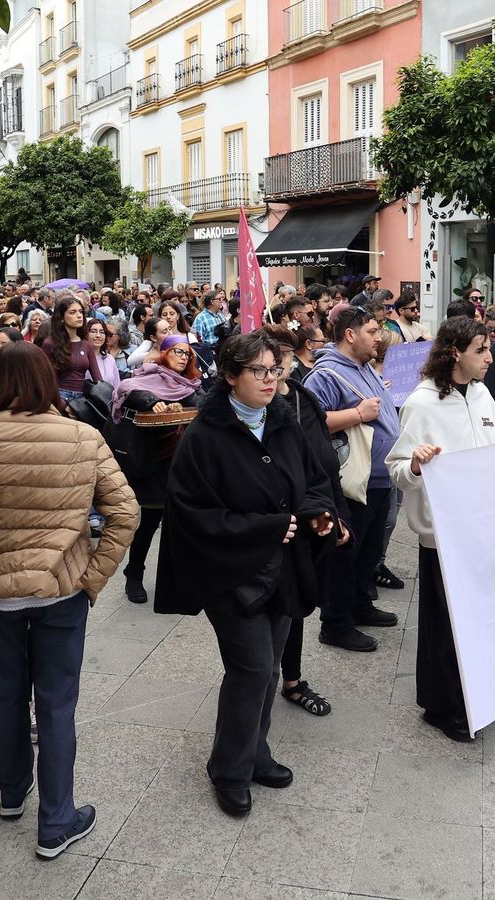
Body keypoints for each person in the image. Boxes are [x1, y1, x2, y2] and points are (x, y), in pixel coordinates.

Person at [0, 342, 136, 858]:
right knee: (58, 706)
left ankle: (13, 793)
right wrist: (91, 578)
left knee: (5, 696)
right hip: (61, 594)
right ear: (46, 380)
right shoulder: (83, 436)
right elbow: (126, 513)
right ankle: (57, 819)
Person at [155, 332, 338, 816]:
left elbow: (315, 479)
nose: (270, 379)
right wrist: (266, 529)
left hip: (284, 569)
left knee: (271, 666)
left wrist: (320, 514)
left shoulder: (283, 420)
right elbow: (190, 513)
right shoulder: (204, 436)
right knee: (252, 670)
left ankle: (256, 753)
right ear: (230, 376)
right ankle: (228, 769)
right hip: (231, 575)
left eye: (275, 369)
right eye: (257, 371)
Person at [387, 317, 495, 742]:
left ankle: (470, 697)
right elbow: (397, 470)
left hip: (484, 528)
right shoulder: (421, 403)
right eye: (481, 350)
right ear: (454, 353)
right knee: (445, 625)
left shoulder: (481, 395)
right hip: (443, 535)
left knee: (476, 620)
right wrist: (417, 462)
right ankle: (442, 707)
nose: (490, 358)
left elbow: (490, 456)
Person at [258, 324, 346, 718]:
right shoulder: (246, 413)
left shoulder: (303, 397)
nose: (278, 366)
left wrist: (335, 514)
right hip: (266, 531)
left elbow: (322, 463)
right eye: (270, 359)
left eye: (286, 356)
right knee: (266, 618)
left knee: (296, 605)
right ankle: (263, 680)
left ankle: (290, 680)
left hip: (309, 520)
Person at [303, 305, 402, 653]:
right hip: (352, 483)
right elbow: (310, 423)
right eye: (372, 331)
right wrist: (358, 413)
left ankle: (360, 605)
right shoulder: (326, 374)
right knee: (344, 555)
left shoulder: (363, 367)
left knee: (368, 551)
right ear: (350, 334)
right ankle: (336, 624)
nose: (379, 337)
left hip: (379, 479)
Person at [112, 335, 206, 604]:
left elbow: (203, 403)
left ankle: (178, 578)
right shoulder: (147, 375)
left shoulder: (189, 383)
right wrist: (154, 402)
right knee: (150, 521)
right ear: (164, 353)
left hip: (183, 463)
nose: (183, 357)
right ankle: (134, 574)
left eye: (187, 354)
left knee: (182, 523)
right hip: (154, 462)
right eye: (178, 352)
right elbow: (132, 391)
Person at [43, 296, 103, 408]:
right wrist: (61, 404)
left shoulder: (86, 345)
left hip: (82, 400)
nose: (79, 315)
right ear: (61, 317)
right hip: (58, 398)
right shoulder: (50, 343)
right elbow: (46, 379)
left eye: (80, 311)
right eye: (73, 312)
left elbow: (98, 380)